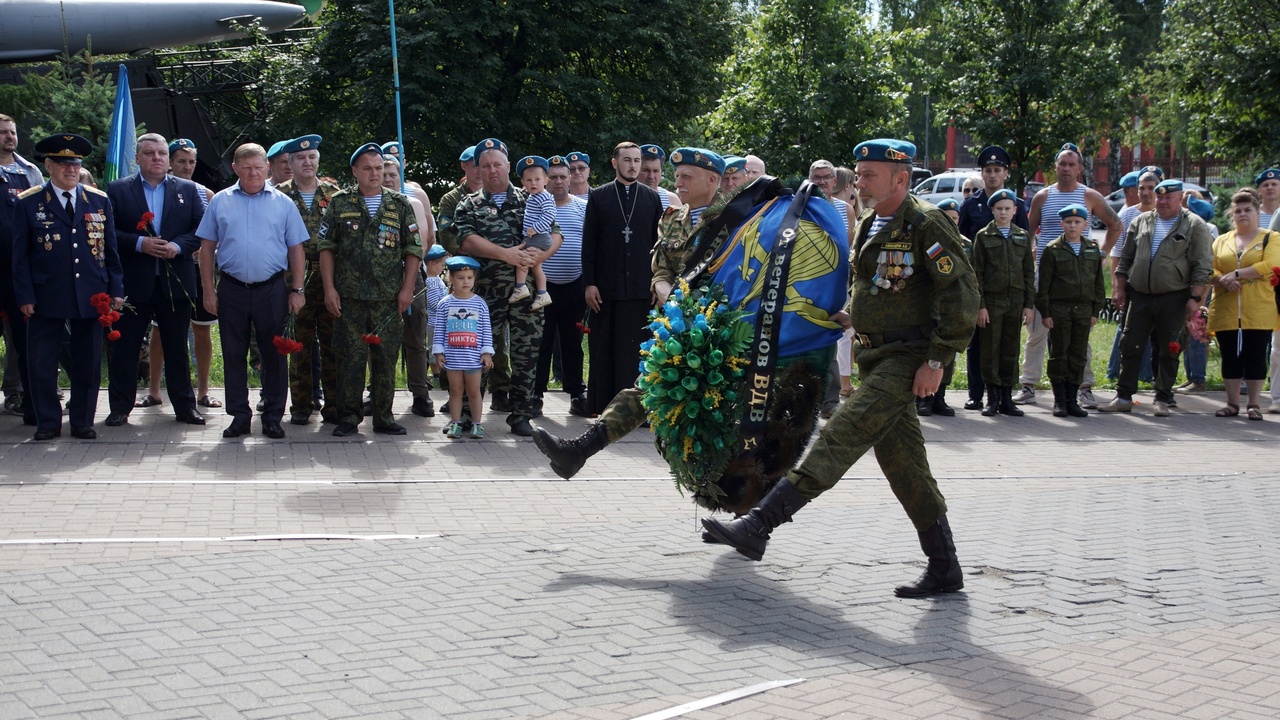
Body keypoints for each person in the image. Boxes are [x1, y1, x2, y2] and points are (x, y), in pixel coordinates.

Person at [701, 138, 978, 599]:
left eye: (869, 175)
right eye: (860, 172)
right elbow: (879, 288)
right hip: (874, 357)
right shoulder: (870, 222)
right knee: (905, 466)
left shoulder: (926, 224)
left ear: (901, 179)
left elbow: (962, 296)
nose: (860, 182)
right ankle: (945, 567)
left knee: (840, 433)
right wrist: (853, 315)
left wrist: (937, 359)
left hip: (906, 359)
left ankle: (761, 525)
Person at [532, 147, 729, 477]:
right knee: (646, 386)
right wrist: (665, 289)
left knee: (706, 404)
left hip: (718, 327)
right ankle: (579, 450)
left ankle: (724, 478)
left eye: (685, 177)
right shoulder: (674, 219)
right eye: (676, 176)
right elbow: (661, 265)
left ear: (712, 180)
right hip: (679, 323)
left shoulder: (735, 221)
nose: (676, 182)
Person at [12, 133, 125, 440]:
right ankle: (48, 422)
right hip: (46, 292)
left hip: (91, 292)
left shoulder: (98, 200)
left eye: (75, 163)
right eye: (63, 164)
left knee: (88, 362)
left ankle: (82, 421)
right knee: (42, 362)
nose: (71, 170)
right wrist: (24, 295)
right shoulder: (30, 202)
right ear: (48, 166)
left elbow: (110, 251)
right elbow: (19, 255)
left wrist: (116, 289)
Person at [198, 143, 308, 439]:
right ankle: (238, 416)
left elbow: (297, 249)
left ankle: (272, 416)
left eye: (258, 168)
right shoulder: (220, 201)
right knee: (233, 353)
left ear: (267, 169)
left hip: (272, 289)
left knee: (274, 355)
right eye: (246, 168)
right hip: (231, 288)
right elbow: (206, 249)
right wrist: (209, 290)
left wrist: (296, 289)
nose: (253, 173)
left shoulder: (283, 203)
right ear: (235, 168)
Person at [319, 142, 424, 437]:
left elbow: (413, 250)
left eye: (379, 168)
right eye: (367, 168)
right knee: (349, 357)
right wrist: (329, 289)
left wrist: (406, 290)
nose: (375, 173)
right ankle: (349, 416)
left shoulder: (400, 204)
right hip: (349, 296)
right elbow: (327, 248)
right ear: (355, 171)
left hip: (387, 297)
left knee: (385, 358)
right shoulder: (339, 203)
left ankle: (384, 416)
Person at [453, 137, 556, 436]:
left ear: (508, 166)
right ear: (478, 169)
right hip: (482, 294)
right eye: (485, 166)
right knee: (477, 354)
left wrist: (537, 256)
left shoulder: (532, 197)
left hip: (525, 296)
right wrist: (508, 255)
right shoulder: (469, 204)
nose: (492, 170)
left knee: (527, 354)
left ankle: (521, 415)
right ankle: (473, 417)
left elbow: (556, 234)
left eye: (497, 164)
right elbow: (466, 240)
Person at [103, 132, 206, 427]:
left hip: (175, 283)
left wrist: (177, 246)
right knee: (125, 349)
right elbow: (108, 234)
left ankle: (185, 407)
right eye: (149, 153)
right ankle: (120, 407)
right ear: (137, 158)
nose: (157, 158)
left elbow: (201, 229)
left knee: (176, 348)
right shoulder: (118, 190)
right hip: (133, 284)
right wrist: (140, 244)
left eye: (161, 153)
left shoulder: (187, 189)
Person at [1016, 143, 1122, 407]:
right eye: (1062, 163)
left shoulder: (1090, 196)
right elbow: (1029, 231)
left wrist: (1102, 254)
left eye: (1071, 164)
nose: (1066, 168)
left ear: (1080, 168)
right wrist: (1029, 256)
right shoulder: (1042, 196)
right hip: (1046, 274)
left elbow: (1116, 225)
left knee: (1079, 334)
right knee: (1037, 330)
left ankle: (1084, 386)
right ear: (1055, 167)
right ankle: (1029, 384)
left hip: (1078, 278)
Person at [1099, 180, 1213, 417]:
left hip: (1174, 297)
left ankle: (1162, 397)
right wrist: (1119, 288)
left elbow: (1203, 265)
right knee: (1130, 345)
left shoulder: (1194, 225)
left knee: (1168, 348)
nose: (1161, 201)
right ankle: (1123, 396)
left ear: (1180, 198)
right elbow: (1126, 258)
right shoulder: (1142, 220)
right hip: (1139, 295)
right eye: (1158, 197)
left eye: (1167, 197)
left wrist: (1195, 297)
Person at [260, 134, 339, 426]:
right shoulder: (277, 195)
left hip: (329, 278)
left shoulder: (336, 193)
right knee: (298, 343)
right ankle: (301, 405)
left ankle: (333, 404)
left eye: (312, 157)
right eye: (300, 158)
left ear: (318, 160)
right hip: (291, 280)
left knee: (332, 344)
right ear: (290, 162)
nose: (307, 162)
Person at [581, 141, 662, 416]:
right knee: (604, 349)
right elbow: (589, 243)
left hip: (641, 288)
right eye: (627, 160)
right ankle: (603, 407)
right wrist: (589, 283)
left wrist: (656, 282)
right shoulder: (599, 196)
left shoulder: (652, 198)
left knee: (636, 352)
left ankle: (637, 411)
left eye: (637, 161)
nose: (633, 166)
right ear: (615, 163)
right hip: (606, 287)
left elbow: (658, 245)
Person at [955, 145, 1030, 411]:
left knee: (1006, 346)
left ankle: (1003, 395)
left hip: (1010, 292)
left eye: (997, 170)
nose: (992, 174)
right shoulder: (970, 204)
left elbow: (1024, 250)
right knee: (979, 344)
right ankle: (977, 392)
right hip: (979, 287)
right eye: (987, 170)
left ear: (1005, 173)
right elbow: (961, 243)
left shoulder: (1017, 206)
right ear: (982, 173)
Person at [159, 138, 220, 410]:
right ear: (170, 162)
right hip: (169, 268)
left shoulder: (206, 194)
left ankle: (203, 390)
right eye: (181, 161)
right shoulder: (162, 190)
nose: (187, 167)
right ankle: (153, 390)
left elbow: (218, 234)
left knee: (202, 331)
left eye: (192, 161)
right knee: (160, 330)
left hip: (197, 270)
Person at [1208, 188, 1280, 420]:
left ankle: (1254, 404)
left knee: (1255, 355)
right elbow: (1210, 266)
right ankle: (1231, 403)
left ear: (1257, 212)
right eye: (1237, 211)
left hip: (1258, 307)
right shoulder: (1222, 240)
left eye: (1247, 210)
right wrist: (1222, 279)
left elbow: (1271, 265)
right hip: (1226, 307)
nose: (1242, 214)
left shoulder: (1271, 238)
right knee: (1230, 355)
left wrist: (1237, 274)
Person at [380, 155, 437, 418]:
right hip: (378, 281)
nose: (388, 178)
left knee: (415, 339)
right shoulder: (371, 203)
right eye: (384, 173)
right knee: (379, 339)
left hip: (410, 278)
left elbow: (424, 242)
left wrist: (408, 273)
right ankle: (378, 392)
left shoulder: (412, 203)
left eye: (393, 174)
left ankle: (420, 394)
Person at [1035, 204, 1105, 417]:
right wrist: (1045, 313)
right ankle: (1059, 400)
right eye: (1068, 222)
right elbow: (1044, 285)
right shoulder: (1052, 250)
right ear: (1061, 224)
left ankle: (1072, 399)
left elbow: (1099, 284)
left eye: (1077, 222)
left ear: (1085, 224)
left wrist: (1095, 310)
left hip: (1083, 309)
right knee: (1059, 354)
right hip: (1060, 309)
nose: (1073, 226)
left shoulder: (1092, 249)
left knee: (1077, 354)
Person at [971, 189, 1035, 416]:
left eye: (1008, 208)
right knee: (990, 350)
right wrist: (981, 305)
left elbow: (1028, 271)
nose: (1004, 212)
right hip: (993, 301)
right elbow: (976, 273)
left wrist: (1028, 304)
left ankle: (1007, 397)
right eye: (999, 208)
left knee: (1010, 349)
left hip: (1015, 302)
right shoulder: (983, 236)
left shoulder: (1021, 236)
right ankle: (992, 398)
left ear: (1015, 210)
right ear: (992, 210)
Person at [536, 155, 589, 416]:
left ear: (570, 179)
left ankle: (577, 393)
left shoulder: (583, 207)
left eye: (562, 176)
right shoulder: (535, 207)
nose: (558, 181)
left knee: (572, 342)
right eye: (553, 177)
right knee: (541, 343)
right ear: (545, 180)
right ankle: (535, 395)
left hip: (574, 285)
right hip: (542, 287)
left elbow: (591, 247)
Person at [0, 112, 43, 421]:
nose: (9, 137)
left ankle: (29, 401)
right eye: (3, 132)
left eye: (12, 132)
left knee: (25, 339)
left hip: (19, 272)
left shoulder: (30, 171)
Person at [433, 256, 494, 439]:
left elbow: (486, 329)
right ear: (451, 278)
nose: (465, 281)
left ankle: (476, 424)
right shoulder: (445, 304)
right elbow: (439, 329)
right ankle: (456, 423)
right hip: (453, 357)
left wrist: (486, 353)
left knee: (474, 391)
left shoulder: (480, 303)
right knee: (456, 391)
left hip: (473, 358)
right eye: (460, 277)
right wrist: (438, 352)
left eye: (469, 277)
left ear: (475, 278)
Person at [511, 155, 557, 311]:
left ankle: (520, 287)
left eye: (537, 179)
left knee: (523, 260)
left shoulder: (543, 196)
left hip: (538, 236)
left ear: (546, 180)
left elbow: (550, 215)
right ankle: (543, 293)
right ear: (523, 183)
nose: (533, 183)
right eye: (529, 180)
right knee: (537, 268)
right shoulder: (534, 195)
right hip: (537, 235)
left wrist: (535, 228)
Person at [638, 144, 682, 210]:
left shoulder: (671, 200)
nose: (651, 176)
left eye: (656, 171)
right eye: (646, 170)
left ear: (661, 172)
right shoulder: (626, 197)